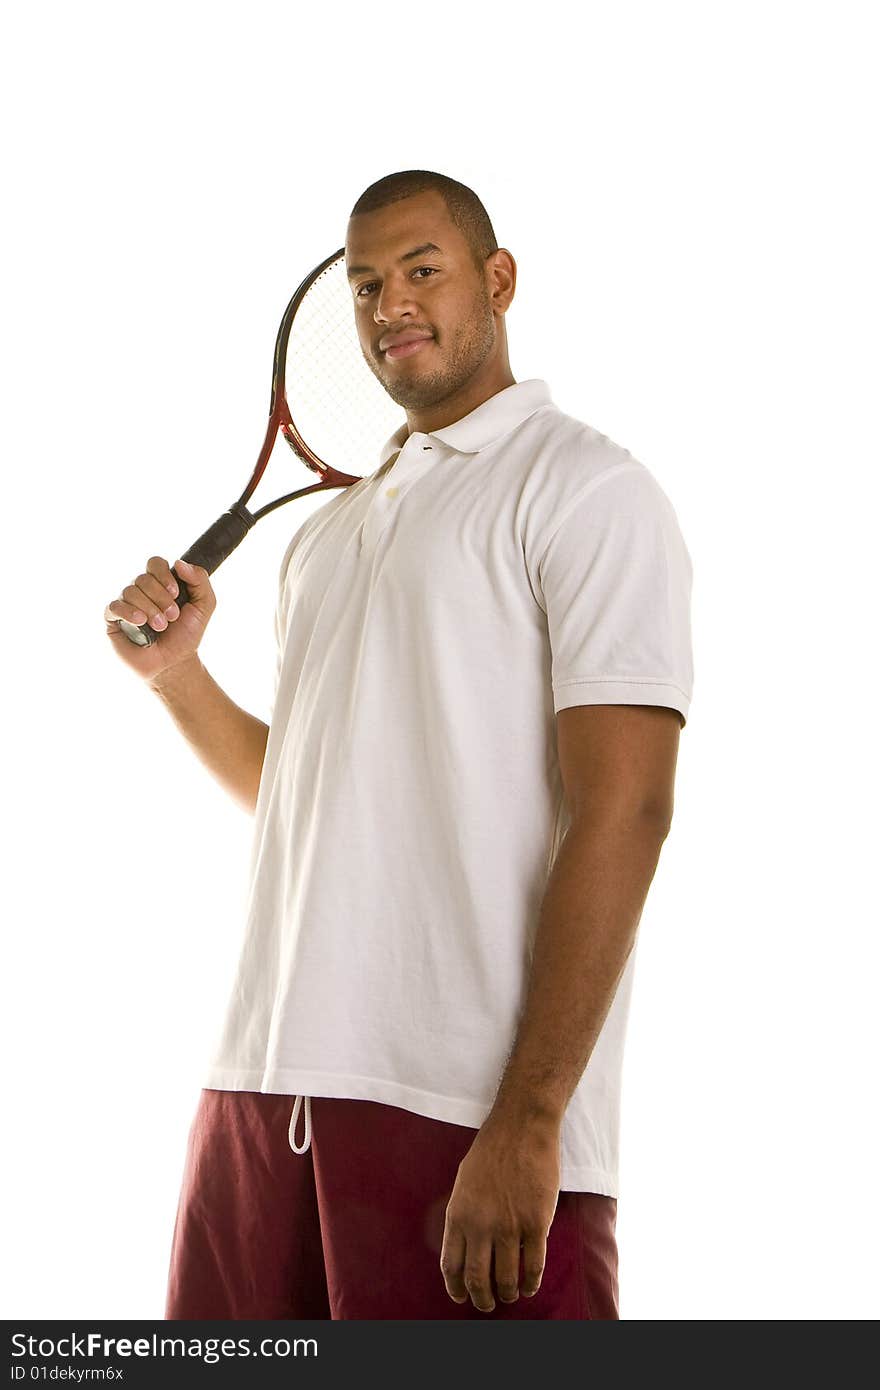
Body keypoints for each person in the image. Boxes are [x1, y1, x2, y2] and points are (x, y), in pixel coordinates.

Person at [104, 169, 694, 1320]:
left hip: (460, 1107)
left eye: (422, 269)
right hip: (257, 1090)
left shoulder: (587, 490)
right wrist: (177, 678)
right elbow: (306, 795)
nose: (389, 305)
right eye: (367, 283)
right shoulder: (328, 536)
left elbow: (626, 810)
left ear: (498, 279)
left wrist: (530, 1118)